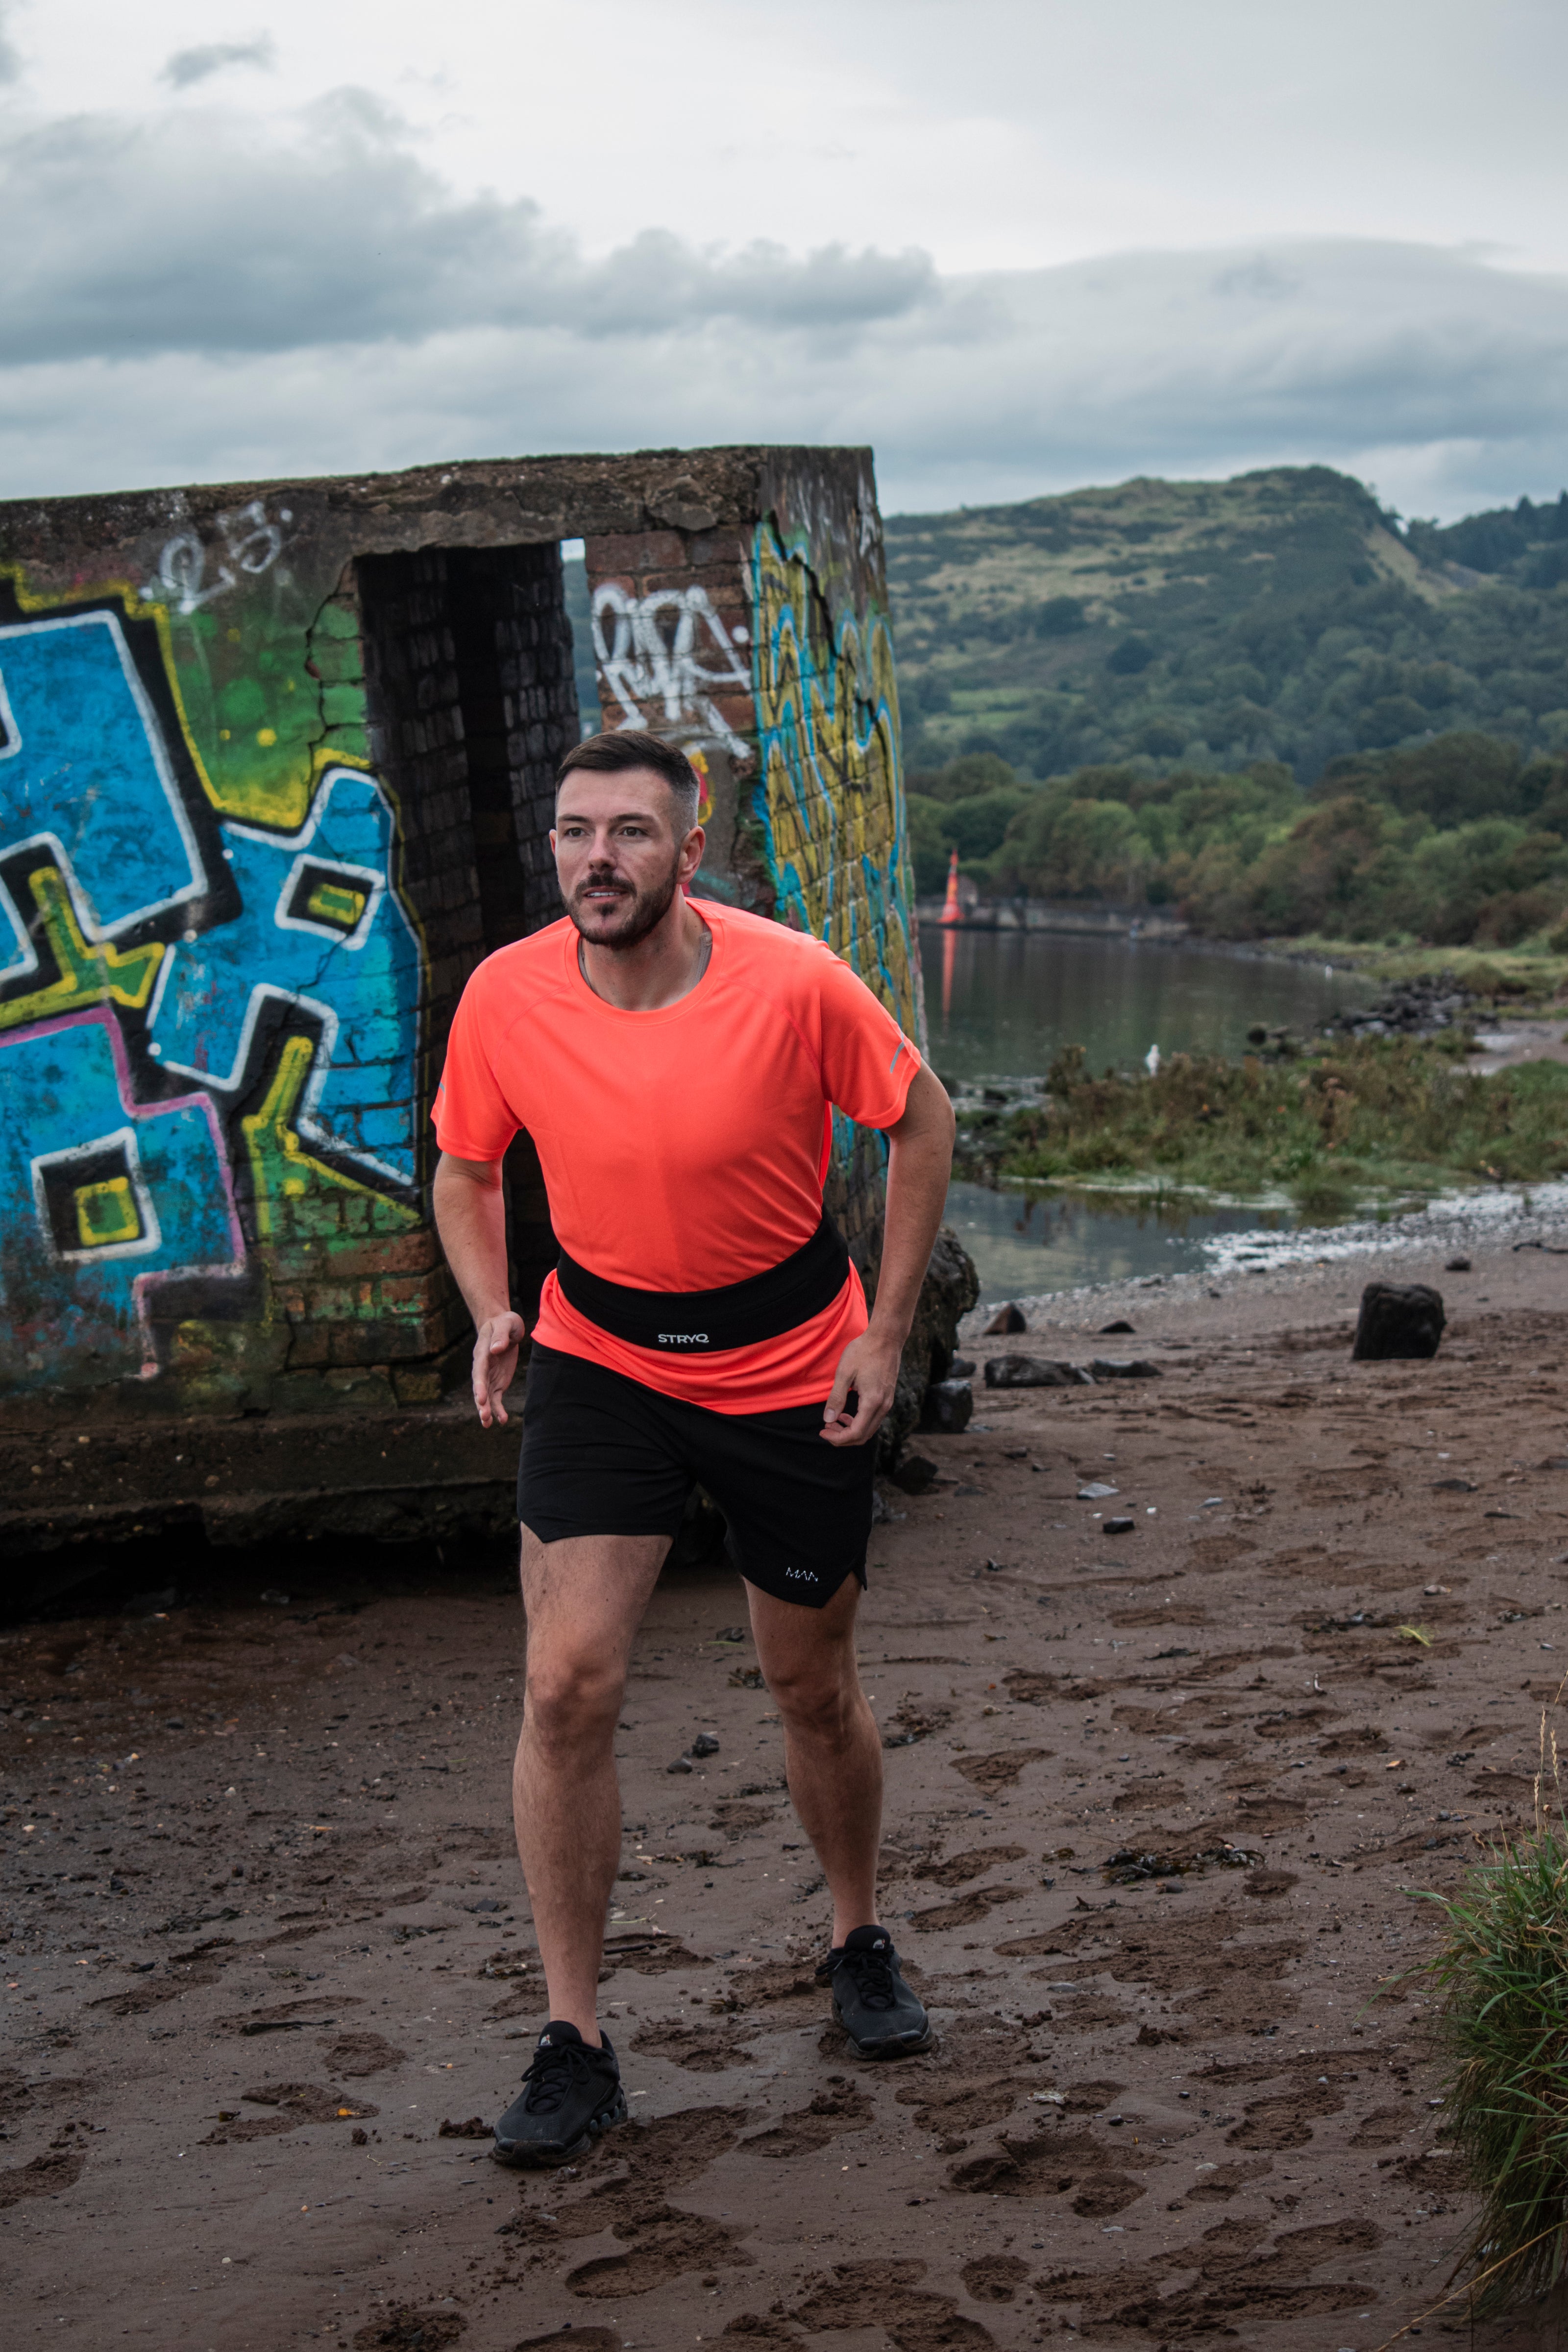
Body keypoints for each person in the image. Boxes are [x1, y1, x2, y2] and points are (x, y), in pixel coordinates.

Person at [431, 729, 956, 2167]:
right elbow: (466, 1168)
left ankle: (854, 1934)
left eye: (631, 834)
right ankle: (573, 2038)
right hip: (602, 1362)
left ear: (688, 848)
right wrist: (492, 1309)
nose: (597, 859)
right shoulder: (506, 996)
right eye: (574, 831)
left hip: (791, 1364)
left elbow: (921, 1122)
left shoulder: (793, 982)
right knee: (565, 1681)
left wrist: (888, 1332)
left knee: (809, 1681)